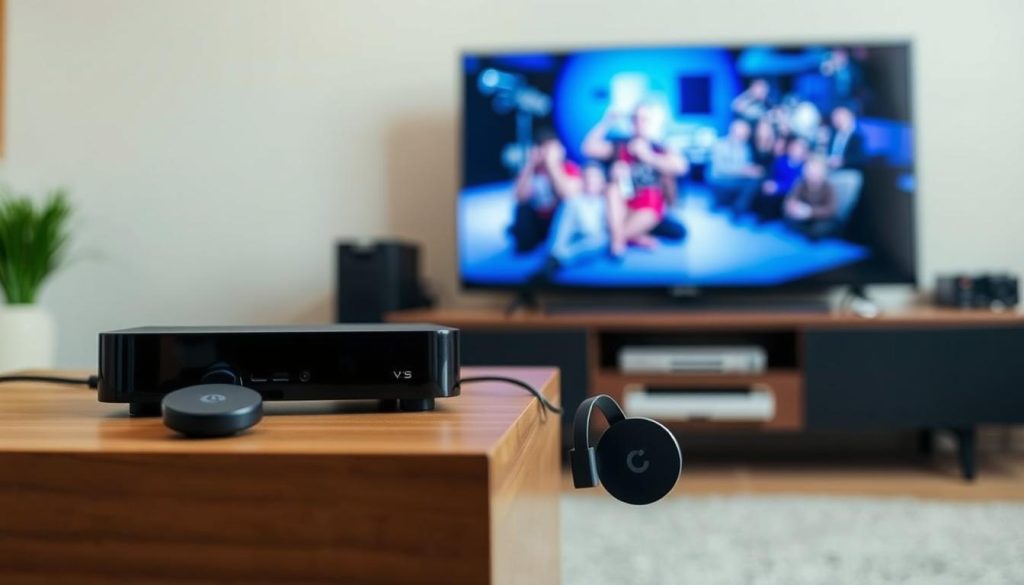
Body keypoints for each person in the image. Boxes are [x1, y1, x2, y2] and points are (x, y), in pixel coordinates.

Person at [582, 101, 688, 256]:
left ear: (651, 122)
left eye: (644, 119)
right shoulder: (620, 145)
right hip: (622, 206)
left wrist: (648, 157)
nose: (639, 123)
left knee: (678, 231)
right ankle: (625, 239)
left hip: (649, 209)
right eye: (635, 119)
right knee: (612, 188)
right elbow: (588, 148)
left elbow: (681, 167)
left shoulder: (658, 147)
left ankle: (621, 238)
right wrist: (607, 121)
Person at [530, 163, 612, 282]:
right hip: (572, 235)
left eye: (595, 177)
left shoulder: (607, 201)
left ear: (602, 181)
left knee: (602, 240)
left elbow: (597, 230)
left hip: (591, 240)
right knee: (569, 204)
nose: (590, 180)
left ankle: (556, 260)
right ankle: (553, 255)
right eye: (587, 176)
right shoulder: (574, 200)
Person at [508, 130, 581, 253]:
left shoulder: (569, 167)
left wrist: (552, 165)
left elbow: (567, 195)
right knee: (522, 211)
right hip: (539, 217)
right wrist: (530, 164)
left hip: (559, 219)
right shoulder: (533, 171)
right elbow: (519, 197)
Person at [708, 119, 764, 218]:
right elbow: (720, 168)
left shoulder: (745, 147)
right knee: (749, 184)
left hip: (736, 178)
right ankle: (736, 209)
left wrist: (753, 169)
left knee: (755, 180)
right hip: (719, 178)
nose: (744, 137)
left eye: (746, 134)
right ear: (732, 131)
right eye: (741, 134)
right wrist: (742, 171)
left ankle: (738, 209)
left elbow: (746, 164)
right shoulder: (719, 144)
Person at [784, 155, 840, 240]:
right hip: (803, 215)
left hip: (819, 217)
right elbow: (791, 198)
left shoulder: (828, 187)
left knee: (820, 228)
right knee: (788, 218)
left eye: (816, 171)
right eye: (810, 171)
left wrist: (810, 212)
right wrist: (792, 207)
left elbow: (830, 209)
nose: (812, 174)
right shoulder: (801, 183)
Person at [754, 137, 808, 222]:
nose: (795, 150)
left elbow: (796, 184)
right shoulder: (781, 160)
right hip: (774, 186)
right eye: (794, 147)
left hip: (789, 192)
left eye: (799, 149)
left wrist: (777, 187)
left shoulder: (803, 167)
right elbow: (772, 174)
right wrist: (769, 183)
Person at [827, 106, 865, 170]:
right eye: (834, 116)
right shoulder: (832, 134)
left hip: (849, 170)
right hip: (829, 169)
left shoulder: (857, 136)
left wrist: (842, 161)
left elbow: (859, 158)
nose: (835, 119)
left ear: (849, 117)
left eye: (839, 116)